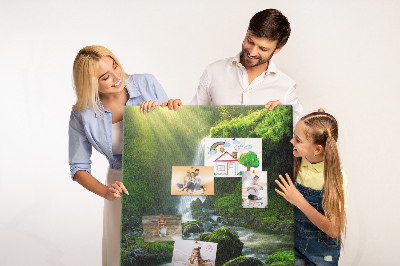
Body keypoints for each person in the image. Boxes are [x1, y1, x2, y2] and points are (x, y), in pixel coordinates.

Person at [68, 45, 179, 266]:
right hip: (120, 188)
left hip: (159, 181)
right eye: (105, 77)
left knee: (163, 251)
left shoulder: (147, 83)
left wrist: (168, 109)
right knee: (122, 254)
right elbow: (78, 167)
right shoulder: (82, 113)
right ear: (90, 84)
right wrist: (106, 192)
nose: (117, 77)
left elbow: (174, 136)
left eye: (115, 66)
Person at [190, 9, 302, 125]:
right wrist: (173, 110)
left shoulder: (286, 87)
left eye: (263, 49)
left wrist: (284, 121)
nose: (252, 52)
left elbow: (298, 138)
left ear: (278, 49)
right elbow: (193, 119)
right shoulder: (214, 71)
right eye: (250, 41)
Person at [275, 108, 347, 265]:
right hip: (295, 247)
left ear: (317, 149)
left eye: (298, 140)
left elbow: (334, 230)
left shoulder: (336, 178)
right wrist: (279, 110)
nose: (292, 141)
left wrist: (299, 201)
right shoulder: (299, 159)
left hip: (323, 254)